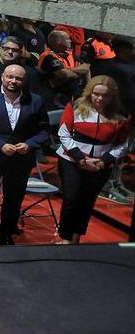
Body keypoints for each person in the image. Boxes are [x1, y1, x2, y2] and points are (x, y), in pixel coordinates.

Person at [0, 64, 50, 246]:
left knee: (14, 198)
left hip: (21, 158)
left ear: (24, 80)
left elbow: (44, 130)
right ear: (2, 78)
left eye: (18, 78)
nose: (13, 81)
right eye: (10, 77)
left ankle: (6, 233)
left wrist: (29, 145)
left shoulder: (35, 100)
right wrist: (0, 145)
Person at [54, 75, 130, 244]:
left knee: (86, 202)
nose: (100, 98)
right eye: (96, 94)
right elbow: (64, 134)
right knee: (71, 200)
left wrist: (105, 161)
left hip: (100, 164)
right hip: (71, 160)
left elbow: (123, 143)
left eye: (106, 95)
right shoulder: (75, 105)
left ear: (113, 96)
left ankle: (75, 239)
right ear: (89, 93)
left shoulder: (122, 114)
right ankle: (65, 239)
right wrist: (81, 159)